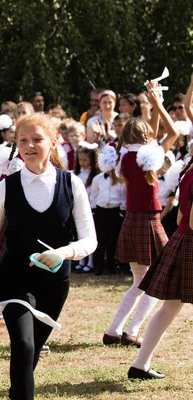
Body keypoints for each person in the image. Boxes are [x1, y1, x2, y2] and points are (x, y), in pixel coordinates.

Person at [0, 113, 96, 400]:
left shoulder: (72, 184)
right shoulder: (5, 187)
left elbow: (90, 240)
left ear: (54, 143)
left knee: (30, 355)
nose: (29, 145)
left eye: (37, 139)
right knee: (23, 346)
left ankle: (17, 391)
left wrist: (64, 253)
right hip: (14, 279)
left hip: (55, 285)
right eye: (23, 140)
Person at [104, 81, 180, 347]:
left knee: (138, 281)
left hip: (131, 221)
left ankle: (114, 330)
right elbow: (172, 132)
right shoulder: (152, 155)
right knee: (156, 284)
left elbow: (156, 131)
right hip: (149, 221)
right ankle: (132, 330)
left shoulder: (125, 157)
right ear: (146, 137)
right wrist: (157, 102)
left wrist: (154, 100)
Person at [128, 144, 193, 380]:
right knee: (169, 308)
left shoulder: (188, 171)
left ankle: (140, 365)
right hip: (190, 242)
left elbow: (180, 218)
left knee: (169, 308)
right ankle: (140, 365)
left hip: (183, 241)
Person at [90, 146, 127, 275]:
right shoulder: (98, 179)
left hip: (115, 212)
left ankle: (112, 266)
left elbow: (123, 196)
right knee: (99, 241)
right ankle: (97, 267)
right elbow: (93, 196)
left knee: (113, 241)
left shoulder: (121, 180)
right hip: (100, 212)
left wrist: (122, 211)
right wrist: (94, 210)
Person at [73, 143, 100, 272]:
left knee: (88, 235)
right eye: (80, 160)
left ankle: (90, 262)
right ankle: (81, 261)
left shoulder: (95, 176)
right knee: (79, 235)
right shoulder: (77, 174)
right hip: (77, 208)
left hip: (90, 209)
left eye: (85, 159)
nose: (82, 162)